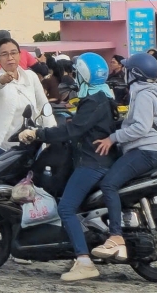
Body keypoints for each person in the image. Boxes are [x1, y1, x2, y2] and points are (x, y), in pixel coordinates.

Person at [17, 54, 117, 281]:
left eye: (76, 73)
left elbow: (73, 131)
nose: (73, 76)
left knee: (66, 208)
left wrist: (38, 133)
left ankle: (84, 261)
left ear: (83, 75)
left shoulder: (93, 101)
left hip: (92, 163)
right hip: (99, 161)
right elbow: (82, 126)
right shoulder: (103, 95)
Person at [90, 53, 157, 262]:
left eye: (127, 69)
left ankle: (115, 237)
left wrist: (113, 138)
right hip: (151, 151)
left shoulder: (143, 94)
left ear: (134, 73)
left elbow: (141, 127)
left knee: (108, 185)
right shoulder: (151, 91)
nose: (124, 72)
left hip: (146, 151)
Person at [0, 38, 54, 157]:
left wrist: (51, 134)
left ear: (19, 55)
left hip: (32, 141)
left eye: (13, 53)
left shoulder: (31, 76)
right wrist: (3, 79)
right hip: (4, 145)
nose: (10, 57)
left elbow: (43, 105)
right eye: (4, 54)